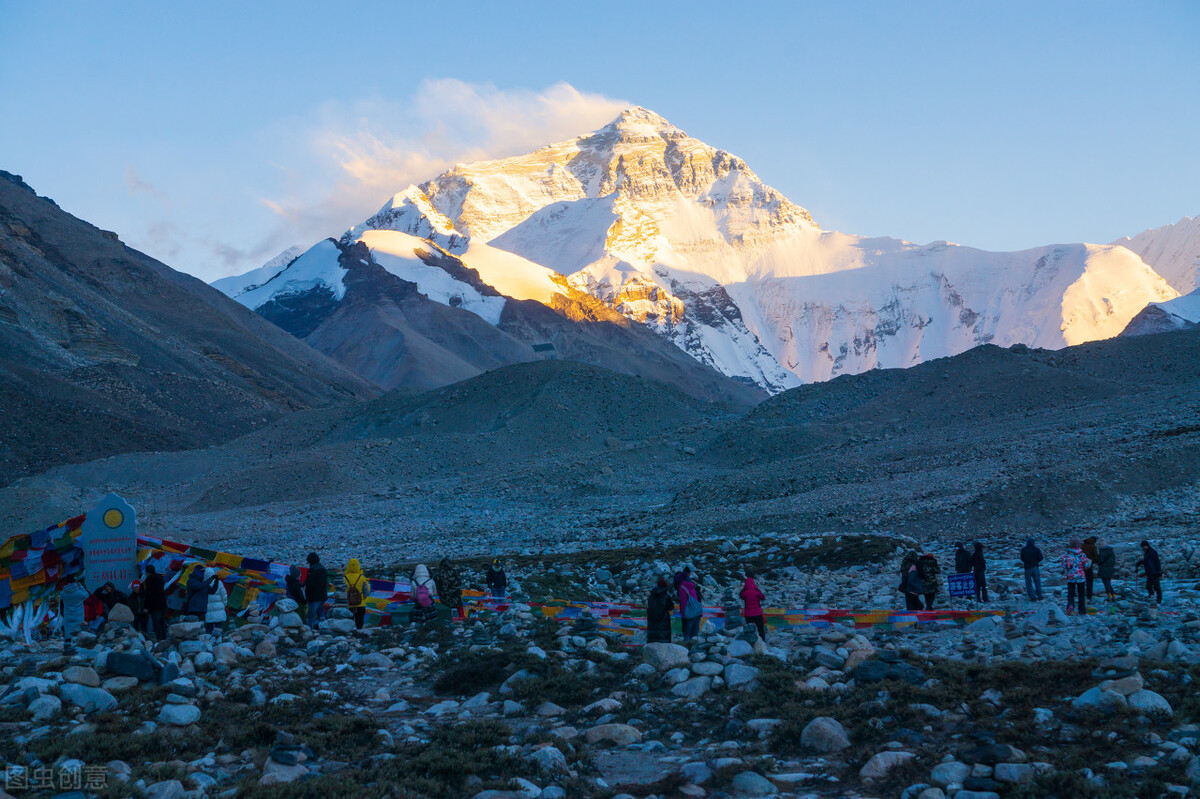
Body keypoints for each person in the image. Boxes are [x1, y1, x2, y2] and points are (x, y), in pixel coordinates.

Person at [1061, 540, 1090, 615]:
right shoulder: (1082, 554)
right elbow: (1087, 565)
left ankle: (1070, 605)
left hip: (1071, 576)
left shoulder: (1067, 554)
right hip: (1080, 576)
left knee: (1071, 593)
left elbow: (1063, 565)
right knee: (1081, 594)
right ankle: (1082, 610)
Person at [303, 552, 329, 629]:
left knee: (311, 616)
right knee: (322, 615)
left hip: (314, 597)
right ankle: (324, 629)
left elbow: (310, 583)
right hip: (322, 596)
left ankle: (309, 631)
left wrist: (306, 593)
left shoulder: (312, 569)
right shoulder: (323, 568)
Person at [647, 575, 675, 643]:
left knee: (653, 640)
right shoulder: (666, 596)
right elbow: (671, 607)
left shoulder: (651, 596)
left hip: (652, 621)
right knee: (664, 641)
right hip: (663, 621)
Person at [59, 576, 88, 642]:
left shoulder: (63, 593)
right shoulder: (79, 592)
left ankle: (68, 641)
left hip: (67, 614)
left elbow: (61, 598)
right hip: (78, 614)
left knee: (68, 629)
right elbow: (86, 595)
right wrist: (81, 586)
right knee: (78, 629)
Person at [740, 570, 767, 641]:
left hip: (748, 613)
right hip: (758, 612)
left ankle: (751, 642)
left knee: (749, 629)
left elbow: (741, 596)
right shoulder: (756, 590)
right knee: (760, 628)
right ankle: (762, 641)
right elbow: (762, 597)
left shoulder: (745, 591)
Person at [677, 569, 703, 641]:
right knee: (694, 633)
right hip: (697, 611)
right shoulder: (692, 586)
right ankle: (694, 646)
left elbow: (683, 602)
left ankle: (687, 646)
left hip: (689, 613)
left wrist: (683, 614)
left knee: (687, 633)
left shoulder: (682, 588)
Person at [143, 564, 167, 641]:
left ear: (147, 572)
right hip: (162, 604)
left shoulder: (149, 579)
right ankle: (164, 638)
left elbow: (149, 594)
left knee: (156, 624)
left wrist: (146, 606)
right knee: (162, 623)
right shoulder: (160, 577)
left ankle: (159, 639)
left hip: (154, 605)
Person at [343, 558, 369, 630]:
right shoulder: (362, 578)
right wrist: (362, 598)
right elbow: (367, 591)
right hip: (360, 604)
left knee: (348, 624)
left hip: (348, 604)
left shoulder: (344, 578)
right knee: (360, 624)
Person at [203, 567, 228, 637]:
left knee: (208, 625)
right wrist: (224, 604)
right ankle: (218, 639)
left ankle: (208, 638)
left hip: (207, 608)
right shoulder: (219, 583)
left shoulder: (204, 583)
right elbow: (224, 595)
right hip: (219, 607)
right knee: (218, 625)